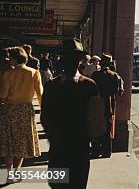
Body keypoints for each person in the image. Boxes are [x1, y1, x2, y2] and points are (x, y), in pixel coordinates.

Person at [41, 39, 98, 189]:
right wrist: (52, 135)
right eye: (66, 56)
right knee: (57, 184)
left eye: (73, 57)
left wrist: (91, 137)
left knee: (78, 183)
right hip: (59, 145)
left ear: (79, 61)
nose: (69, 61)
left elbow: (95, 116)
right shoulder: (52, 85)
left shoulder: (89, 85)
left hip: (80, 146)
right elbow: (45, 115)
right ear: (61, 59)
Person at [0, 46, 43, 175]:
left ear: (13, 59)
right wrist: (43, 109)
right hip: (26, 109)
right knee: (22, 140)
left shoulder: (8, 74)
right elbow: (40, 93)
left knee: (9, 141)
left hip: (10, 109)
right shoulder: (34, 72)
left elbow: (3, 94)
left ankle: (9, 170)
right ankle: (18, 169)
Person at [90, 53, 124, 158]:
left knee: (96, 127)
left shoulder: (95, 74)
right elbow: (120, 91)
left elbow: (92, 90)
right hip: (109, 104)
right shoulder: (115, 75)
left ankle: (96, 150)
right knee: (108, 127)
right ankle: (106, 151)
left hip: (97, 105)